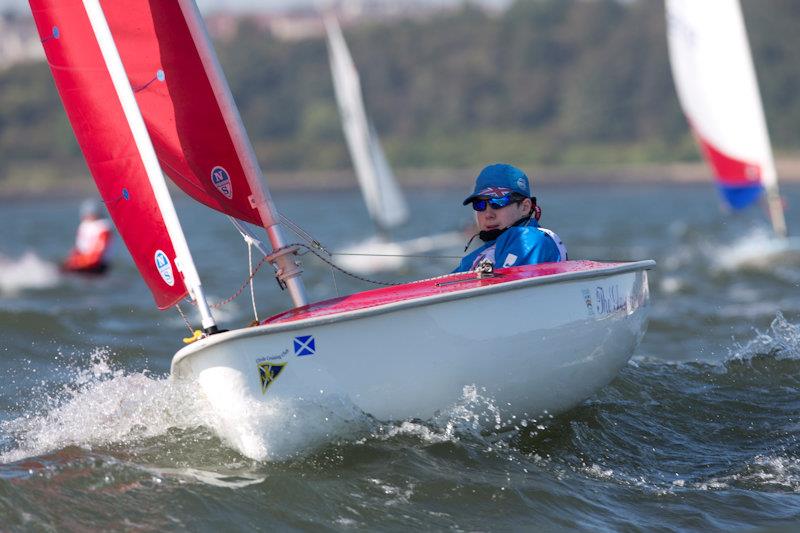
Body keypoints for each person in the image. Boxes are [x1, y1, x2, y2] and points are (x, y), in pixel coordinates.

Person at [454, 163, 567, 273]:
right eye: (479, 205)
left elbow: (508, 288)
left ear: (525, 207)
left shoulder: (531, 239)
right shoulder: (471, 259)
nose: (488, 214)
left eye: (498, 202)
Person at [61, 199, 114, 274]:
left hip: (97, 265)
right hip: (83, 261)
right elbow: (79, 247)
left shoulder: (103, 227)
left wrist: (79, 262)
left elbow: (97, 255)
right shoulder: (84, 225)